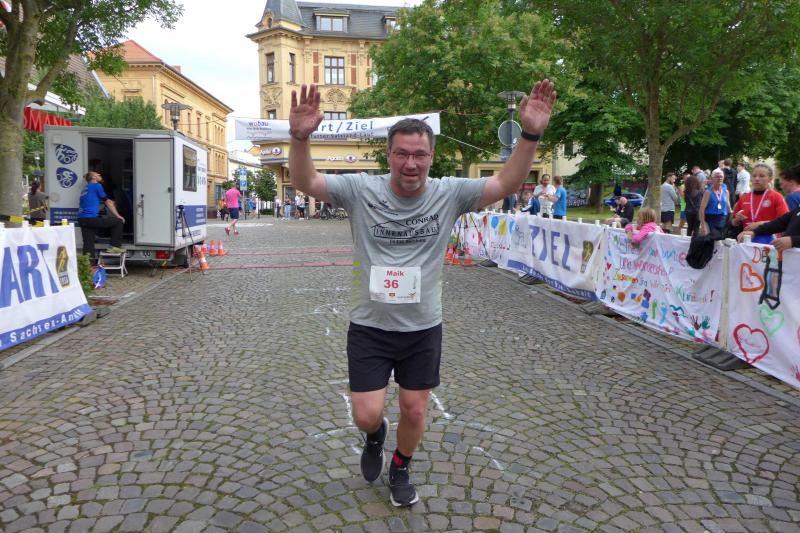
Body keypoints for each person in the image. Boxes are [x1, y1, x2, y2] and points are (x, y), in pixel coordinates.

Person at [288, 81, 556, 507]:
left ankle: (401, 466)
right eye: (402, 153)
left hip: (422, 327)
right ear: (388, 155)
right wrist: (300, 138)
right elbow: (306, 180)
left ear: (431, 156)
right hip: (370, 325)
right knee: (366, 414)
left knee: (414, 409)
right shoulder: (362, 190)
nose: (410, 163)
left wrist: (530, 134)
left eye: (419, 154)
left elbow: (506, 182)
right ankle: (375, 436)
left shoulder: (449, 193)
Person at [730, 163, 789, 244]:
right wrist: (737, 220)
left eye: (762, 176)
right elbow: (733, 222)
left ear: (770, 178)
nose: (757, 179)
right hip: (746, 242)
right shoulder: (744, 197)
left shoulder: (776, 197)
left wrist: (760, 224)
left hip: (770, 242)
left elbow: (785, 222)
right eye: (754, 176)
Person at [77, 171, 125, 257]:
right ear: (93, 177)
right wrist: (118, 216)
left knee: (88, 242)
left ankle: (88, 262)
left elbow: (90, 202)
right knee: (118, 222)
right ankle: (114, 246)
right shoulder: (97, 186)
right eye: (98, 174)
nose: (100, 175)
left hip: (82, 218)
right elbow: (107, 202)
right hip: (90, 218)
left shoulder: (85, 189)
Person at [698, 169, 730, 235]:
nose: (719, 178)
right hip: (711, 220)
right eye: (717, 177)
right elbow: (701, 209)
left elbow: (728, 207)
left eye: (721, 176)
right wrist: (703, 225)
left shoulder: (726, 192)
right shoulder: (708, 192)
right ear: (712, 179)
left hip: (723, 220)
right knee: (709, 238)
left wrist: (732, 217)